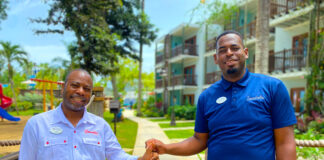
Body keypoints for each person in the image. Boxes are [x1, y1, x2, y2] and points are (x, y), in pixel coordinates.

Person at [146, 30, 297, 160]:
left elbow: (285, 142)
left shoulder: (272, 87)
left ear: (245, 53)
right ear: (216, 58)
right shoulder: (206, 97)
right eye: (223, 50)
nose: (229, 53)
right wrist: (166, 148)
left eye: (234, 48)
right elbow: (199, 140)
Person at [19, 69, 158, 160]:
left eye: (86, 89)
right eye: (75, 85)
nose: (80, 91)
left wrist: (142, 159)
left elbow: (118, 156)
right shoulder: (37, 125)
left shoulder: (100, 126)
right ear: (62, 89)